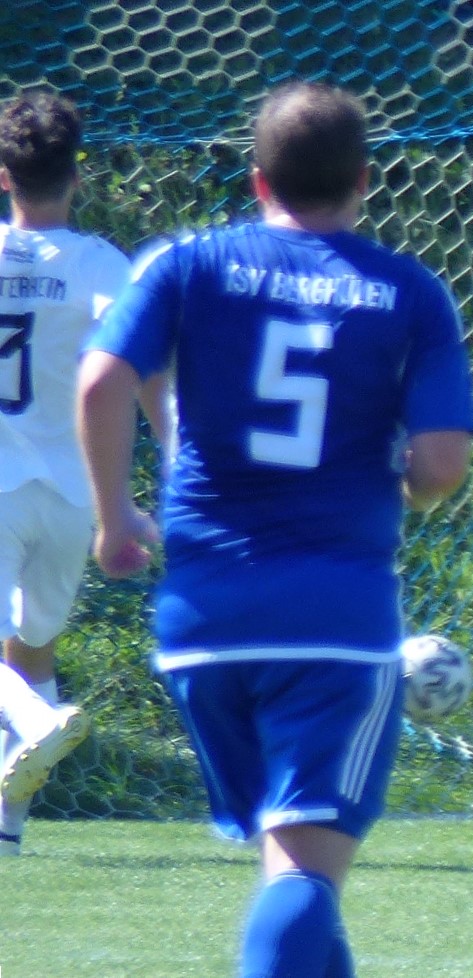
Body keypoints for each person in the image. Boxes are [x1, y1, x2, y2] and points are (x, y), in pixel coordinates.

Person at [78, 81, 473, 978]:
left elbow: (101, 382)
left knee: (290, 867)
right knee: (304, 870)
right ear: (364, 178)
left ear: (257, 179)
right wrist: (406, 487)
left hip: (204, 621)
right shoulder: (409, 292)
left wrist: (115, 518)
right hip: (333, 617)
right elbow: (442, 466)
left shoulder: (187, 263)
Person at [0, 90, 137, 856]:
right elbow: (133, 352)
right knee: (31, 650)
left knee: (16, 674)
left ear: (3, 176)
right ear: (77, 176)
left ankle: (35, 721)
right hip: (71, 493)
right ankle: (7, 829)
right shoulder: (100, 264)